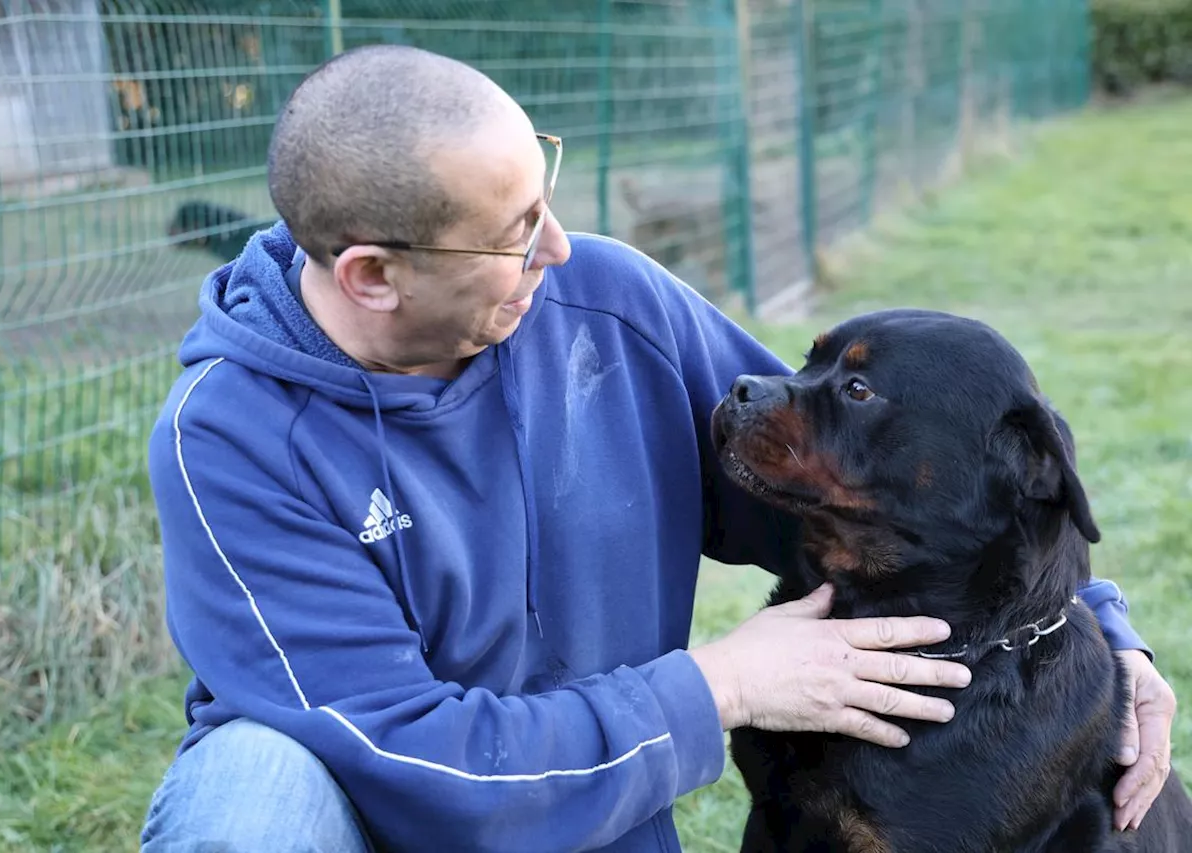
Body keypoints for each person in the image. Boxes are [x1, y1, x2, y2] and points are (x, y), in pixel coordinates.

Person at [139, 45, 1176, 852]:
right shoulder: (230, 437)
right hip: (389, 817)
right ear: (372, 275)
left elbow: (866, 476)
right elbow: (402, 754)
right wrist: (718, 686)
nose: (556, 248)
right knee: (249, 783)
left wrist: (1081, 626)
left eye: (542, 194)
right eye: (511, 233)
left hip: (600, 824)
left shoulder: (607, 306)